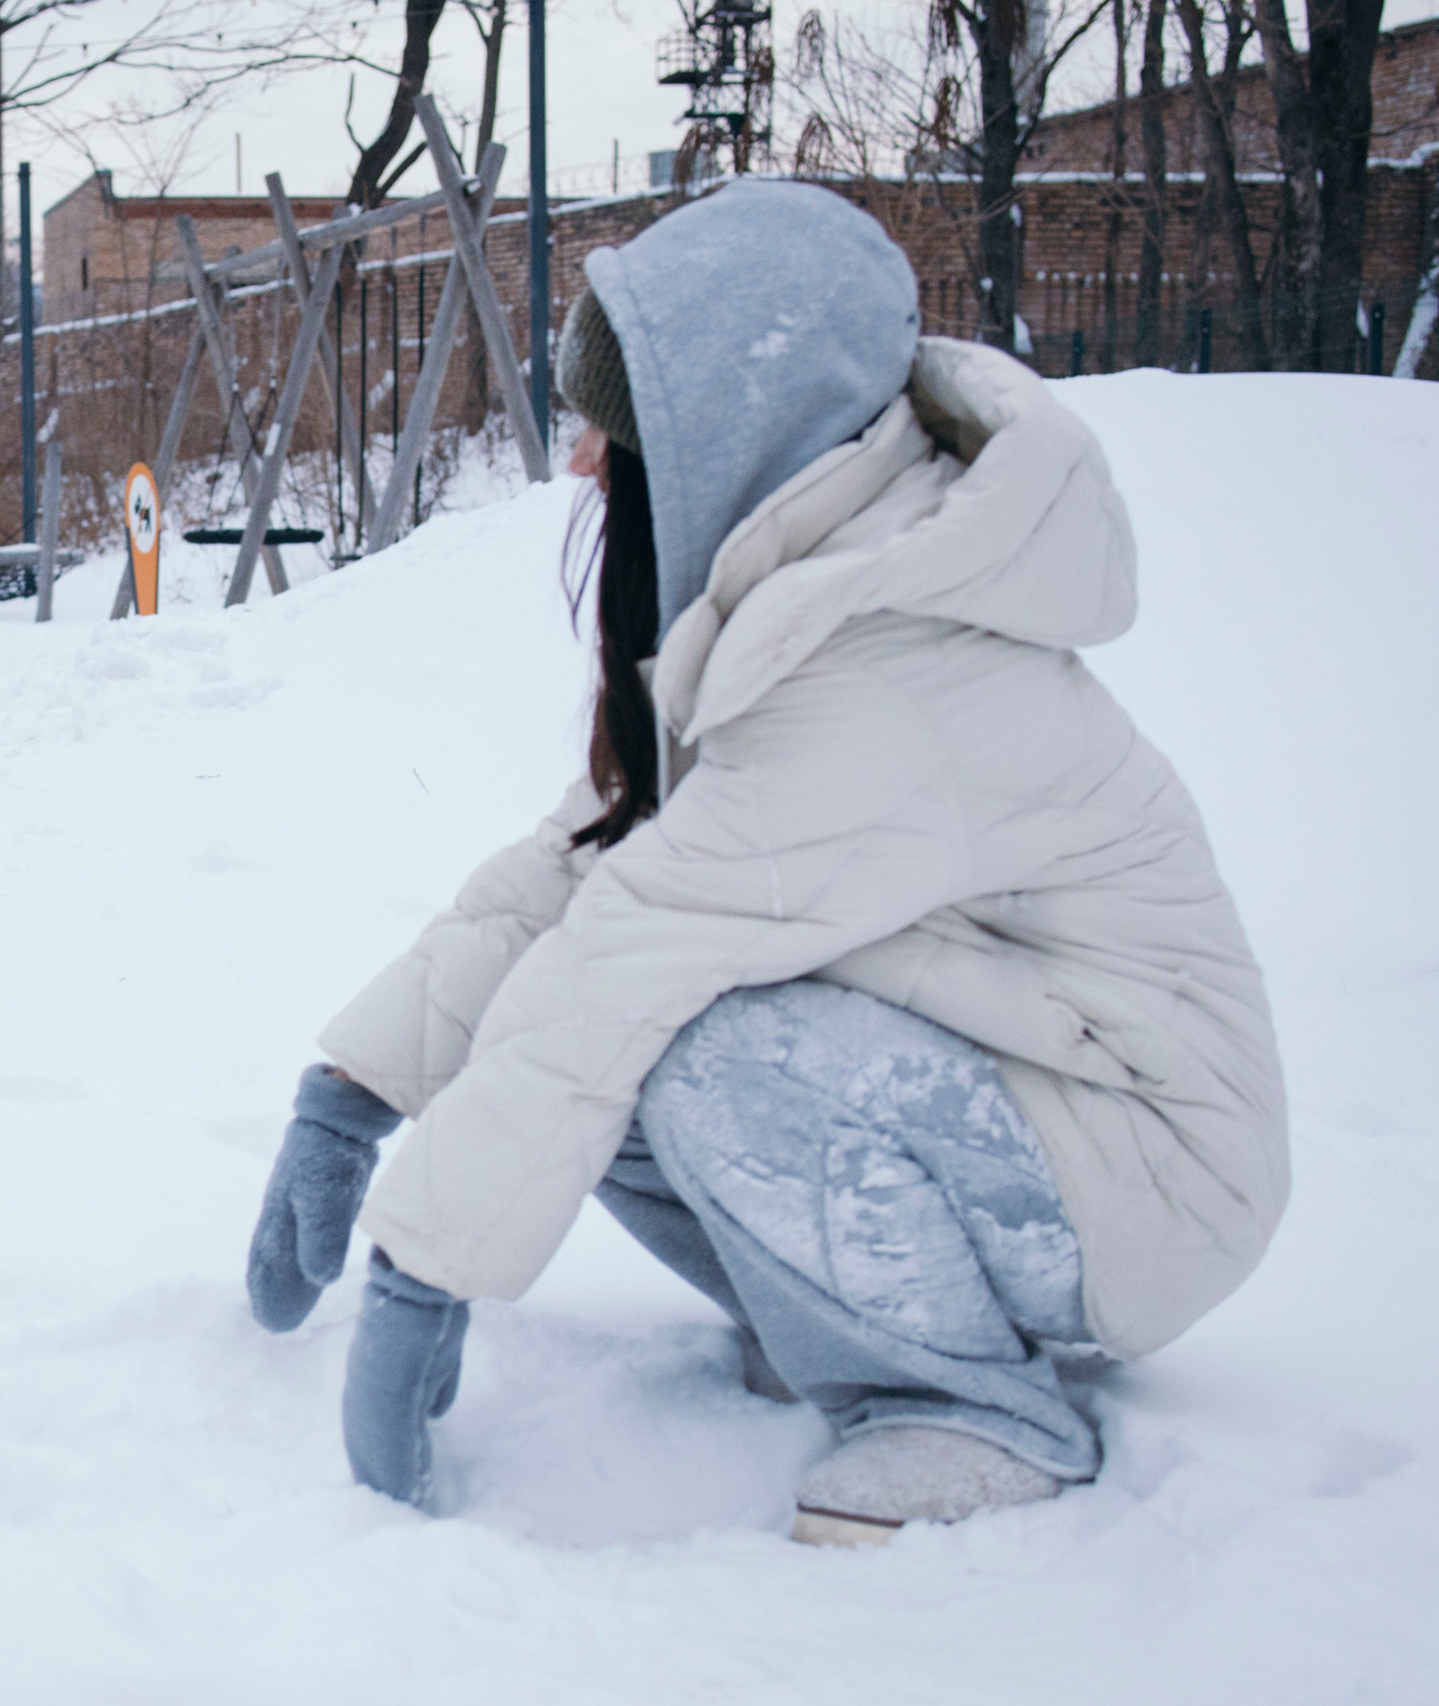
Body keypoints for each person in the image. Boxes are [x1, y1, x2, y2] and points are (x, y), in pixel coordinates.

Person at [245, 181, 1287, 1546]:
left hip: (1146, 1170)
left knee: (685, 1041)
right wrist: (356, 1086)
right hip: (1026, 1102)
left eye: (613, 433)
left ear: (729, 436)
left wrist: (428, 1258)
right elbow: (585, 873)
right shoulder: (798, 605)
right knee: (616, 1042)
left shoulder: (884, 666)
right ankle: (854, 1318)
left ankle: (976, 1407)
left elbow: (625, 952)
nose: (577, 467)